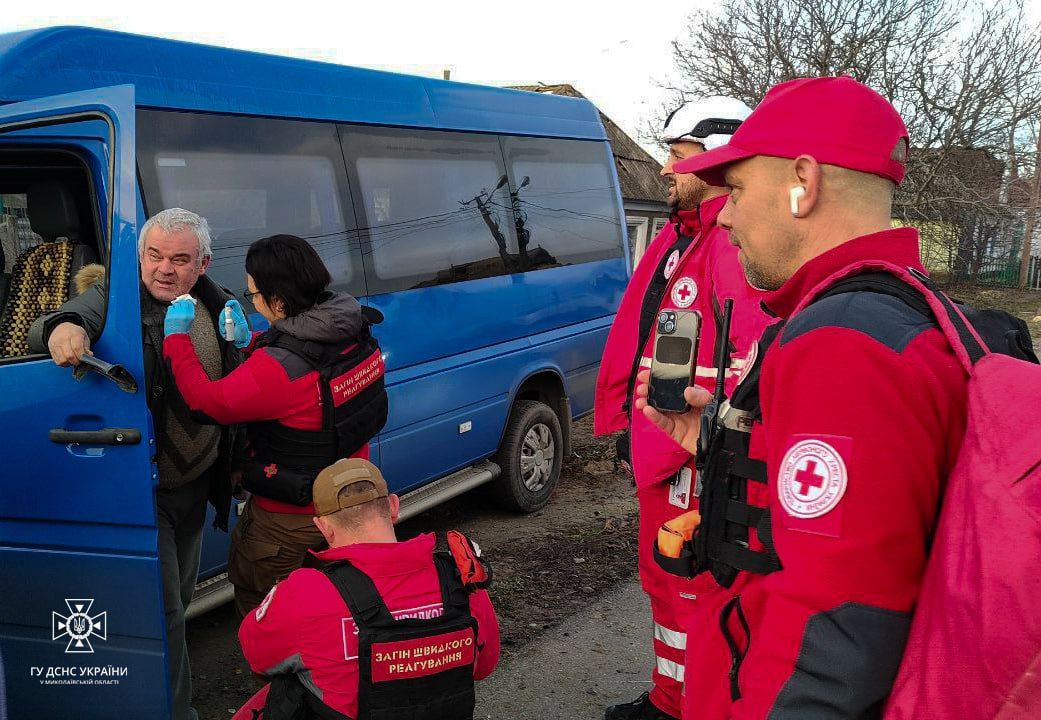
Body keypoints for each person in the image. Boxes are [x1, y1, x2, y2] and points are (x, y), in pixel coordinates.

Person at [636, 76, 969, 718]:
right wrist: (723, 445)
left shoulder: (844, 345)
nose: (725, 214)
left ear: (803, 182)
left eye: (735, 189)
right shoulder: (900, 312)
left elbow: (833, 632)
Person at [28, 207, 243, 720]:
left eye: (179, 259)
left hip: (196, 483)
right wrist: (61, 328)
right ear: (140, 255)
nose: (164, 268)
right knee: (163, 610)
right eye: (154, 255)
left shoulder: (220, 303)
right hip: (143, 488)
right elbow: (60, 320)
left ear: (203, 264)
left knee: (179, 601)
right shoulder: (119, 299)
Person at [593, 98, 770, 720]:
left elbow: (743, 367)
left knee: (687, 581)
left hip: (689, 455)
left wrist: (667, 441)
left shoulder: (730, 242)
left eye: (677, 154)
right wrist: (625, 427)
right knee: (666, 582)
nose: (665, 169)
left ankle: (686, 705)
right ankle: (672, 695)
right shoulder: (681, 235)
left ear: (719, 158)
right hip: (663, 446)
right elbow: (645, 335)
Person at [162, 234, 387, 619]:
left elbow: (205, 402)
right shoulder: (353, 328)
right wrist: (255, 343)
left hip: (291, 521)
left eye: (254, 295)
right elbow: (303, 369)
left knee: (273, 619)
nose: (253, 301)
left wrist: (177, 338)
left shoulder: (278, 371)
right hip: (355, 502)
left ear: (279, 301)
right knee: (342, 612)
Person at [232, 458, 500, 720]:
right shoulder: (460, 577)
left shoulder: (305, 593)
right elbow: (484, 665)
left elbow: (257, 656)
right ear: (393, 507)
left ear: (323, 527)